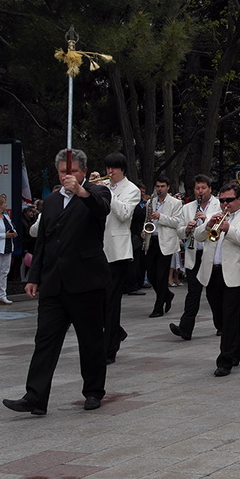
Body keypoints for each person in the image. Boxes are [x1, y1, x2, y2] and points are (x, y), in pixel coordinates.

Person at [3, 148, 111, 415]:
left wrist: (82, 191)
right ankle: (35, 397)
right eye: (64, 172)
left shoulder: (97, 193)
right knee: (45, 340)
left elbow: (101, 209)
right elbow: (44, 241)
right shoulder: (51, 202)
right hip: (54, 284)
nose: (68, 176)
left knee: (91, 340)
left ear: (84, 172)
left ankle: (93, 391)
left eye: (73, 171)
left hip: (86, 282)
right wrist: (34, 276)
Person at [194, 180, 240, 376]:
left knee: (230, 317)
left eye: (230, 200)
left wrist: (228, 229)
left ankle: (225, 360)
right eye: (222, 200)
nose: (225, 204)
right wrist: (208, 224)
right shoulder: (215, 216)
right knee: (220, 318)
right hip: (212, 272)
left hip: (235, 274)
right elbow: (198, 237)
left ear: (239, 199)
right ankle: (239, 348)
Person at [92, 153, 141, 364]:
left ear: (122, 169)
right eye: (108, 168)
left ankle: (109, 348)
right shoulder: (103, 186)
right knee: (98, 300)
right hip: (99, 248)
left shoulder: (132, 190)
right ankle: (117, 331)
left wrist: (107, 192)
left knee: (112, 301)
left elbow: (123, 214)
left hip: (119, 251)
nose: (110, 172)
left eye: (114, 169)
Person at [170, 175, 220, 340]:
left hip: (210, 254)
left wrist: (206, 220)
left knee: (213, 293)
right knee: (193, 292)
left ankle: (221, 325)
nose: (200, 191)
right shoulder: (188, 207)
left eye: (203, 188)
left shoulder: (218, 204)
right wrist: (186, 229)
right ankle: (185, 328)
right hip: (194, 253)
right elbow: (178, 229)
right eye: (197, 188)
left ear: (209, 189)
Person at [145, 175, 183, 318]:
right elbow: (147, 219)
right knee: (151, 274)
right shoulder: (151, 202)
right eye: (158, 186)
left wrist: (160, 216)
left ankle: (159, 306)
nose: (160, 189)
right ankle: (167, 294)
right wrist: (145, 229)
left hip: (165, 242)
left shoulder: (175, 203)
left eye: (162, 186)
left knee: (161, 275)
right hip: (152, 240)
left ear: (167, 187)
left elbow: (177, 222)